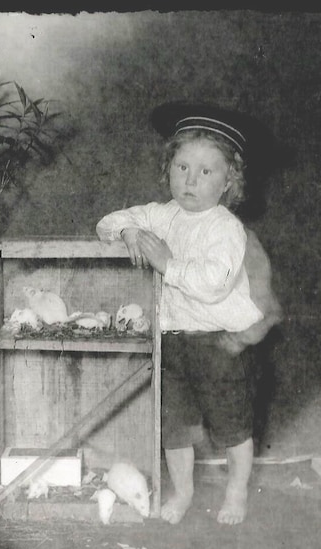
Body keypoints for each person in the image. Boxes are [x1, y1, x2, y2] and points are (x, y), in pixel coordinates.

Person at [96, 102, 281, 526]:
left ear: (229, 181)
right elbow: (108, 222)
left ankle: (236, 492)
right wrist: (128, 230)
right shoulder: (164, 215)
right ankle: (183, 492)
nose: (190, 180)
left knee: (231, 425)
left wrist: (167, 264)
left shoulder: (225, 228)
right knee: (175, 427)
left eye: (205, 171)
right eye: (181, 167)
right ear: (169, 169)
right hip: (172, 342)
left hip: (219, 344)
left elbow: (214, 283)